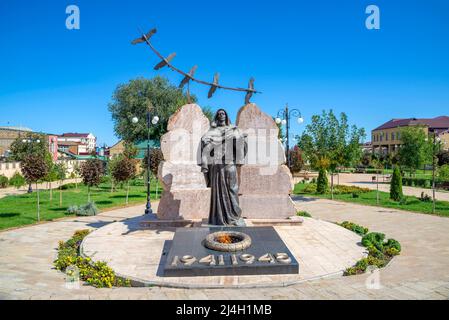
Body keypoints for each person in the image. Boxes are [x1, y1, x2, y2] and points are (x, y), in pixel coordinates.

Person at [200, 109, 247, 226]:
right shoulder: (212, 131)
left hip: (230, 164)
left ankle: (234, 217)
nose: (221, 115)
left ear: (226, 116)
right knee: (217, 193)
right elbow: (204, 143)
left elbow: (243, 143)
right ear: (217, 116)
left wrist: (237, 138)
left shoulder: (233, 129)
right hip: (216, 166)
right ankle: (218, 218)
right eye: (219, 114)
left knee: (232, 189)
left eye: (223, 113)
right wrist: (205, 141)